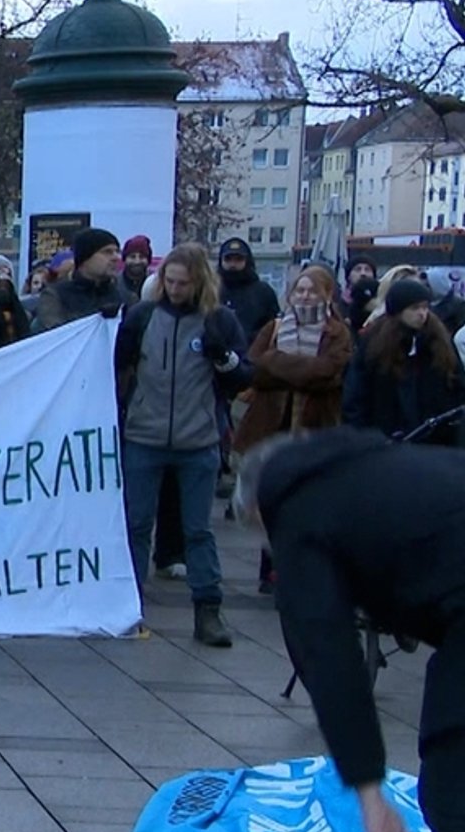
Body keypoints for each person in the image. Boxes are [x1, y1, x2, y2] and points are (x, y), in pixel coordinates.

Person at [236, 427, 465, 832]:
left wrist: (368, 791)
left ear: (259, 512)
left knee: (452, 790)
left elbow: (330, 655)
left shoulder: (298, 514)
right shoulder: (376, 464)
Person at [116, 242, 251, 647]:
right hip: (145, 433)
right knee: (137, 525)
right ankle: (129, 603)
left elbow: (242, 377)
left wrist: (222, 357)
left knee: (198, 530)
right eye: (169, 282)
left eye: (182, 283)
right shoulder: (142, 316)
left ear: (198, 283)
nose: (174, 290)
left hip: (198, 438)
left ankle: (208, 610)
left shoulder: (218, 321)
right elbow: (118, 364)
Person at [231, 265, 351, 596]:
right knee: (271, 501)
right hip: (272, 426)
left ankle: (305, 570)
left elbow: (329, 372)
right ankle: (270, 572)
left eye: (312, 290)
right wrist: (300, 370)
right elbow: (254, 369)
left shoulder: (337, 332)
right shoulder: (274, 327)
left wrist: (280, 364)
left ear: (327, 294)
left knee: (309, 504)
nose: (305, 296)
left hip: (315, 426)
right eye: (300, 290)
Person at [345, 277, 465, 445]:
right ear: (399, 311)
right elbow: (357, 394)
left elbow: (457, 384)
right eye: (415, 308)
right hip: (386, 440)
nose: (422, 314)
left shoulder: (439, 342)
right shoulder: (374, 344)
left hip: (435, 440)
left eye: (425, 307)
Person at [35, 229, 128, 330]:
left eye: (117, 251)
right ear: (85, 258)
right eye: (107, 252)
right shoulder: (55, 296)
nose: (116, 258)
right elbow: (57, 336)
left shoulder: (125, 297)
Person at [217, 237, 281, 348]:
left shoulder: (263, 292)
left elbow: (273, 327)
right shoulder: (211, 290)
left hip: (254, 355)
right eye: (228, 259)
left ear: (247, 261)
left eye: (238, 259)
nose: (233, 264)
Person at [120, 235, 154, 307]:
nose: (137, 261)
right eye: (132, 257)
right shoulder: (113, 282)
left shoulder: (155, 283)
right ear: (124, 259)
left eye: (142, 257)